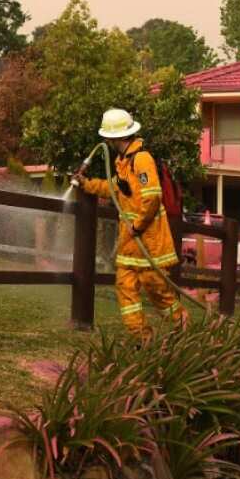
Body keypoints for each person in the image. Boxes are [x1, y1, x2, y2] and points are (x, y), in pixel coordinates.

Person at [73, 108, 188, 341]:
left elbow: (153, 197)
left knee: (159, 293)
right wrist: (87, 184)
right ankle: (141, 340)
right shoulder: (122, 162)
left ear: (113, 136)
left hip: (149, 242)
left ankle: (185, 333)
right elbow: (114, 189)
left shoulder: (141, 159)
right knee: (125, 290)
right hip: (130, 243)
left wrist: (138, 225)